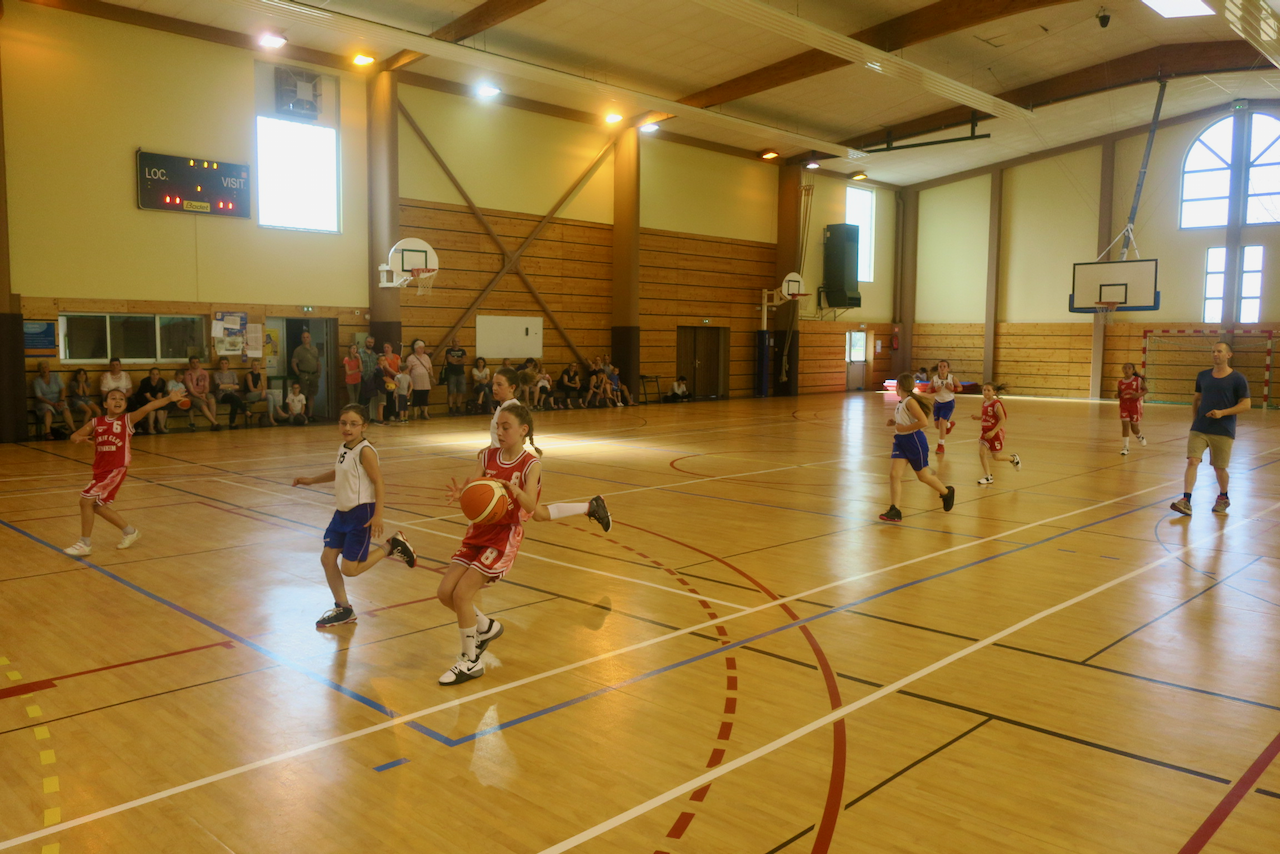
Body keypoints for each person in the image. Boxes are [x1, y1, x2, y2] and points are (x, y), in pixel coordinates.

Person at [438, 404, 543, 684]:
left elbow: (531, 507)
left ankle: (470, 661)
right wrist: (464, 494)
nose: (500, 432)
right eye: (498, 427)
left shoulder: (530, 464)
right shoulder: (487, 455)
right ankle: (485, 627)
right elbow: (476, 488)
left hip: (503, 535)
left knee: (462, 595)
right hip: (478, 530)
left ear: (523, 430)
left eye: (506, 427)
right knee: (445, 592)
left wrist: (516, 491)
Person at [292, 403, 417, 628]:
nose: (347, 428)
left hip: (361, 513)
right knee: (327, 559)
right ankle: (344, 609)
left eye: (353, 424)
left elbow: (379, 481)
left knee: (349, 569)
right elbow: (339, 471)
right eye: (343, 423)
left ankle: (392, 545)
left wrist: (378, 515)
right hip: (341, 514)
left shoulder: (365, 451)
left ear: (364, 426)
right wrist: (311, 480)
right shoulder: (344, 447)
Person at [61, 383, 188, 556]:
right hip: (100, 470)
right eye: (113, 398)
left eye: (121, 399)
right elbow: (74, 436)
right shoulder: (96, 422)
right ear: (105, 404)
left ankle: (85, 543)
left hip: (115, 469)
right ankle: (130, 532)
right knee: (97, 506)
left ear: (125, 404)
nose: (117, 401)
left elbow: (148, 407)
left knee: (85, 501)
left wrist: (168, 399)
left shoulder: (127, 420)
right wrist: (79, 439)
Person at [487, 367, 611, 532]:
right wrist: (488, 451)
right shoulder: (503, 407)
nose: (494, 388)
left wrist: (495, 456)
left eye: (499, 384)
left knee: (506, 509)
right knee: (538, 513)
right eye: (493, 384)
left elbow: (515, 440)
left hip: (511, 467)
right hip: (500, 464)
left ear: (512, 388)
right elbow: (499, 440)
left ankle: (591, 506)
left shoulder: (511, 410)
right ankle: (591, 506)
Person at [1171, 341, 1251, 516]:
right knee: (1193, 461)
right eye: (1213, 351)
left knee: (1219, 467)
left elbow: (1246, 404)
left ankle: (1223, 497)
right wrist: (1195, 421)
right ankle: (1186, 500)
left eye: (1219, 351)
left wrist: (1223, 413)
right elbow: (1197, 399)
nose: (1215, 354)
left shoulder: (1238, 378)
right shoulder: (1203, 375)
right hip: (1200, 428)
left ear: (1229, 355)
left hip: (1223, 429)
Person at [880, 372, 956, 522]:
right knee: (894, 474)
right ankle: (895, 510)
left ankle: (946, 492)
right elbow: (907, 421)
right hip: (901, 441)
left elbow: (923, 422)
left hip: (914, 441)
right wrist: (895, 423)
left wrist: (903, 428)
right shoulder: (902, 402)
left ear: (899, 386)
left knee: (923, 476)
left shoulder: (910, 402)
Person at [970, 382, 1021, 485]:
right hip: (985, 432)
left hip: (995, 432)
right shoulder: (984, 403)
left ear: (994, 392)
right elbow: (986, 416)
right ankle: (988, 476)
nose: (986, 392)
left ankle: (1013, 458)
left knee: (996, 457)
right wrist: (978, 418)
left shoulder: (996, 403)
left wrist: (993, 432)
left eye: (988, 390)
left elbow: (1002, 419)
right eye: (984, 390)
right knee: (981, 453)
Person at [33, 361, 76, 439]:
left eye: (45, 367)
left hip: (58, 400)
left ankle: (73, 430)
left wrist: (61, 400)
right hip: (44, 402)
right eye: (42, 368)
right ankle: (47, 432)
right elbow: (39, 396)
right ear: (39, 370)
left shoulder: (55, 376)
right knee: (48, 410)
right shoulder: (36, 381)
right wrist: (52, 404)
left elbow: (63, 388)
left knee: (65, 409)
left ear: (49, 368)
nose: (44, 369)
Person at [1117, 362, 1148, 456]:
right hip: (1124, 406)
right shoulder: (1120, 382)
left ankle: (1140, 436)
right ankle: (1125, 447)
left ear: (1133, 370)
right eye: (1124, 368)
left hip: (1135, 406)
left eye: (1129, 368)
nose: (1126, 370)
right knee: (1125, 425)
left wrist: (1138, 395)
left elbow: (1146, 390)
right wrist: (1116, 395)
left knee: (1134, 428)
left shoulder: (1138, 380)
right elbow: (1119, 393)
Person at [930, 359, 959, 455]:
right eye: (940, 366)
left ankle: (941, 445)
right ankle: (949, 425)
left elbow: (960, 387)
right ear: (938, 368)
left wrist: (952, 389)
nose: (942, 368)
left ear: (948, 369)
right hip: (937, 403)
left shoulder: (952, 378)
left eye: (944, 366)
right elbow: (927, 390)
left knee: (942, 422)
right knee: (937, 426)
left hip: (948, 403)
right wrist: (934, 390)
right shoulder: (934, 379)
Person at [183, 357, 220, 431]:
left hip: (204, 393)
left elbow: (206, 386)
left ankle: (213, 424)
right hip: (193, 395)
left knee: (211, 399)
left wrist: (204, 394)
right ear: (190, 364)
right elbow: (191, 389)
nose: (195, 364)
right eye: (193, 362)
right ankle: (215, 423)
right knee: (202, 405)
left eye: (197, 362)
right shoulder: (187, 374)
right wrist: (199, 396)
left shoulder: (204, 373)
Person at [291, 330, 321, 421]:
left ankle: (310, 415)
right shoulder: (298, 350)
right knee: (303, 396)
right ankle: (302, 416)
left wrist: (319, 373)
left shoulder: (315, 349)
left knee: (312, 395)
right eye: (303, 337)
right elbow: (293, 363)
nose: (305, 339)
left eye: (307, 337)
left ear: (310, 338)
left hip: (313, 375)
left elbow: (318, 362)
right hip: (304, 375)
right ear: (301, 339)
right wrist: (298, 373)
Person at [212, 357, 246, 429]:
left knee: (234, 400)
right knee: (234, 397)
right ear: (219, 364)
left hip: (232, 394)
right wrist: (231, 385)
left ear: (228, 364)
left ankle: (232, 423)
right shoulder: (216, 374)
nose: (224, 365)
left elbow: (237, 386)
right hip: (221, 395)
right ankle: (245, 411)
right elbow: (219, 387)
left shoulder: (233, 373)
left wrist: (226, 386)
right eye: (222, 363)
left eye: (225, 363)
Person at [135, 367, 170, 435]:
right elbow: (148, 397)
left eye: (157, 374)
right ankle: (151, 427)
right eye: (153, 374)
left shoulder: (162, 382)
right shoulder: (145, 381)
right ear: (150, 375)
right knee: (152, 408)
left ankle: (161, 426)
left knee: (161, 409)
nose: (155, 376)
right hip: (142, 398)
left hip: (154, 399)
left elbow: (159, 395)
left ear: (159, 375)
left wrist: (159, 403)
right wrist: (157, 403)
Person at [405, 340, 433, 420]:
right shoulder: (411, 358)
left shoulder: (426, 357)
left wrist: (432, 377)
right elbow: (407, 370)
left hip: (425, 381)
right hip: (415, 381)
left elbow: (430, 368)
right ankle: (415, 414)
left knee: (425, 397)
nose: (422, 350)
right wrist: (409, 381)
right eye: (420, 348)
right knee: (416, 398)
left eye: (423, 348)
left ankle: (425, 413)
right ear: (416, 348)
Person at [242, 358, 273, 426]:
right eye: (254, 365)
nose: (256, 366)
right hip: (249, 395)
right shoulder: (249, 375)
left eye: (257, 365)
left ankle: (271, 418)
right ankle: (279, 411)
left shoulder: (260, 375)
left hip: (256, 394)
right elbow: (252, 389)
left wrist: (263, 391)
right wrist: (262, 391)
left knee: (270, 397)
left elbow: (263, 386)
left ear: (260, 366)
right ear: (251, 366)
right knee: (272, 392)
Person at [443, 336, 467, 416]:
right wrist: (459, 360)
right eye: (454, 341)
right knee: (451, 392)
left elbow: (464, 360)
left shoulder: (462, 351)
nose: (456, 343)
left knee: (460, 392)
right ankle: (450, 408)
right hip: (451, 373)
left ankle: (458, 407)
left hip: (461, 373)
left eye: (457, 341)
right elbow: (450, 360)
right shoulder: (448, 350)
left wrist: (455, 360)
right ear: (452, 342)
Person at [358, 336, 379, 407]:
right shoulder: (360, 352)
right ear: (365, 342)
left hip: (371, 379)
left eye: (372, 342)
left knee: (368, 400)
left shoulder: (374, 354)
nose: (370, 344)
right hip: (361, 378)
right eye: (368, 342)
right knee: (361, 399)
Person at [376, 354, 397, 425]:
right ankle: (380, 419)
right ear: (378, 361)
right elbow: (385, 378)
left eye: (384, 360)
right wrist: (395, 382)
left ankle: (380, 419)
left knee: (382, 403)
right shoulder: (378, 369)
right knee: (381, 404)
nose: (383, 361)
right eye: (381, 360)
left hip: (382, 388)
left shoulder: (382, 369)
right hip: (379, 388)